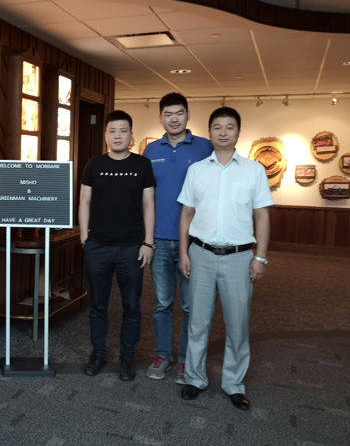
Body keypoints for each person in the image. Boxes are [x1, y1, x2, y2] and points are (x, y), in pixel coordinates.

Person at [177, 107, 272, 410]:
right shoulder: (197, 170)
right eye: (217, 127)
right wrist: (183, 253)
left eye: (229, 127)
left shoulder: (254, 170)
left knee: (237, 325)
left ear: (238, 132)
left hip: (239, 258)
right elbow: (186, 215)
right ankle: (194, 379)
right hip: (200, 255)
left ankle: (234, 384)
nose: (223, 132)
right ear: (210, 132)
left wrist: (260, 258)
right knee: (197, 323)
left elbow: (262, 216)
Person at [79, 110, 156, 382]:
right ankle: (98, 353)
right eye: (112, 131)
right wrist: (84, 238)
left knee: (131, 307)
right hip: (98, 246)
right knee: (98, 305)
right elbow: (84, 201)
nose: (118, 135)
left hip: (131, 248)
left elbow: (149, 204)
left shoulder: (142, 165)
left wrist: (148, 242)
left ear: (131, 135)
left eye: (123, 130)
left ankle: (127, 358)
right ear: (106, 136)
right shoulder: (94, 164)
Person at [142, 93, 213, 384]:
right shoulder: (150, 150)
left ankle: (186, 359)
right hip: (159, 239)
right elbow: (145, 195)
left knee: (190, 306)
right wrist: (146, 238)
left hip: (193, 241)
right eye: (168, 114)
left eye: (179, 113)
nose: (174, 118)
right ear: (160, 117)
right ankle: (163, 355)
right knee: (162, 303)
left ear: (188, 115)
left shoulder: (205, 146)